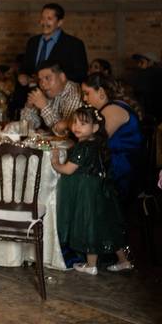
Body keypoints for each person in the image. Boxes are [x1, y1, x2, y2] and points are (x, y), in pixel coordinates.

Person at [51, 105, 132, 274]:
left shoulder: (82, 147)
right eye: (75, 122)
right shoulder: (96, 143)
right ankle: (124, 261)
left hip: (87, 192)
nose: (76, 127)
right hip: (102, 190)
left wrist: (55, 163)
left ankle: (91, 265)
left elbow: (68, 170)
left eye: (83, 123)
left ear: (95, 127)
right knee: (108, 226)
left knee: (88, 225)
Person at [80, 73, 142, 202]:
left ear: (101, 92)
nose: (84, 99)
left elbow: (94, 141)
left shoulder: (113, 110)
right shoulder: (110, 107)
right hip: (115, 166)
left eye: (87, 93)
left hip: (121, 173)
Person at [20, 3, 88, 83]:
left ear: (60, 22)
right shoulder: (32, 42)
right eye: (42, 18)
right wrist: (22, 75)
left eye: (49, 19)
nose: (44, 22)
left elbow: (81, 75)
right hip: (32, 93)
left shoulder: (74, 44)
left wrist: (51, 78)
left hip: (59, 94)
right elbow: (25, 68)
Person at [20, 60, 83, 134]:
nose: (43, 84)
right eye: (40, 80)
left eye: (47, 78)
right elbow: (26, 127)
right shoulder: (47, 92)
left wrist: (44, 106)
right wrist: (29, 106)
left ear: (62, 77)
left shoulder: (75, 93)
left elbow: (66, 132)